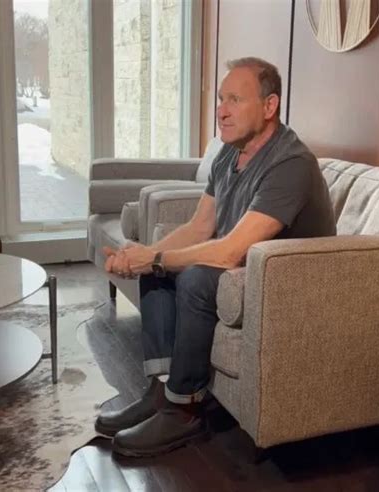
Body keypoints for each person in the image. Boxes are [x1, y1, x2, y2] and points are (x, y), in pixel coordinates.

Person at [95, 57, 336, 457]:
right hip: (247, 266)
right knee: (161, 264)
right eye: (221, 99)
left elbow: (232, 250)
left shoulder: (291, 163)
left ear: (270, 105)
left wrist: (155, 258)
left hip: (290, 284)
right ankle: (162, 389)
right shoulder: (229, 153)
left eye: (235, 100)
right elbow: (199, 227)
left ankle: (185, 410)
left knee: (192, 277)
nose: (221, 110)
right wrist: (145, 254)